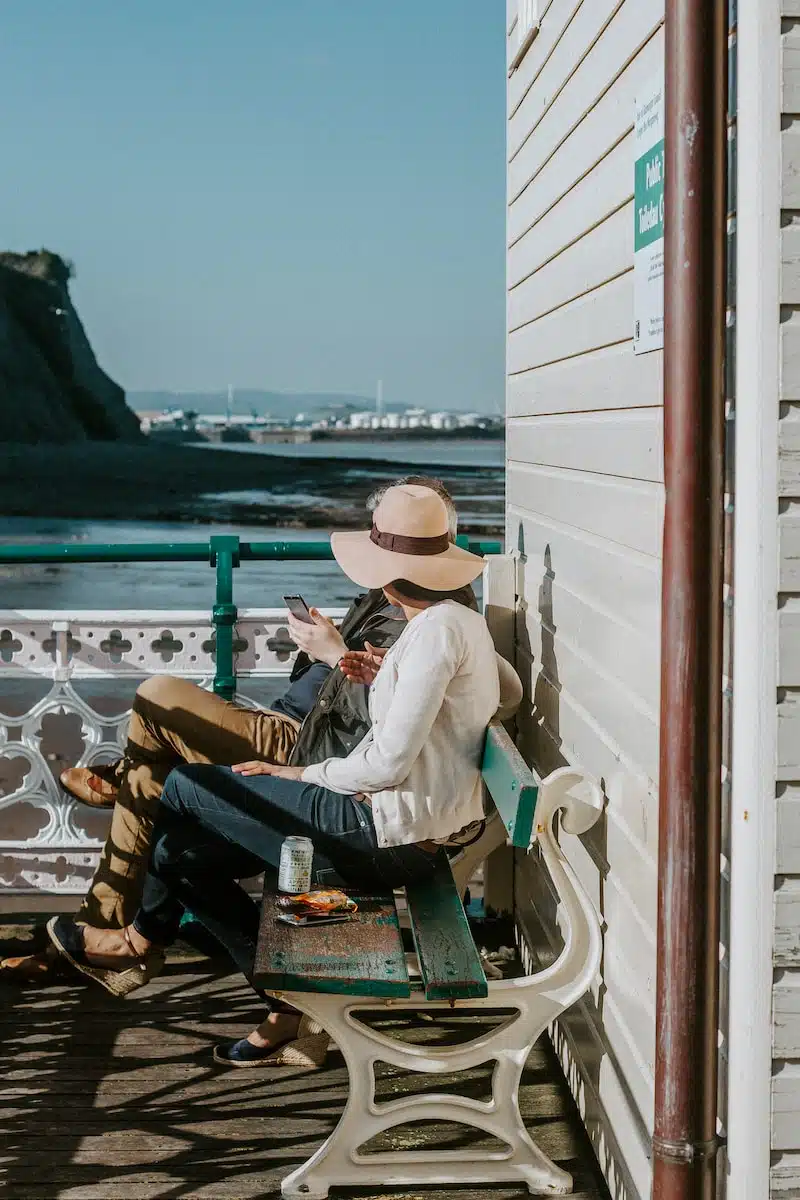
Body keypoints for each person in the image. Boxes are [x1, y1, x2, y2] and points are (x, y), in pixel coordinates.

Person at [45, 484, 521, 1069]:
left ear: (392, 575)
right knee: (176, 855)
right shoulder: (452, 623)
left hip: (383, 833)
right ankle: (281, 1000)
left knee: (182, 786)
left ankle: (144, 937)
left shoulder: (435, 632)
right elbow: (510, 691)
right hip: (400, 825)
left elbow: (388, 764)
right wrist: (388, 676)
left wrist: (295, 772)